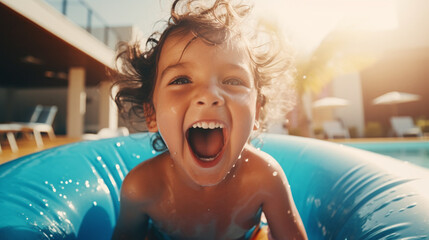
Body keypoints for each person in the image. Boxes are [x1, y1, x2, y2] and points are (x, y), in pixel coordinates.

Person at [112, 0, 307, 239]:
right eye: (181, 80)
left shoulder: (264, 179)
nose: (209, 95)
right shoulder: (142, 188)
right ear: (152, 114)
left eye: (233, 81)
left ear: (256, 112)